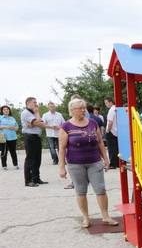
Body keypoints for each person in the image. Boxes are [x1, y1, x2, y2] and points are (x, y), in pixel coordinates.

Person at [59, 98, 117, 228]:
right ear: (72, 110)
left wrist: (106, 158)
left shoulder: (92, 123)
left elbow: (100, 142)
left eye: (84, 107)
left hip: (95, 162)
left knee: (100, 189)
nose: (83, 110)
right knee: (81, 191)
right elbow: (62, 148)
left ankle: (105, 216)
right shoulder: (66, 126)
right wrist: (62, 167)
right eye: (80, 108)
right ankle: (86, 218)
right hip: (75, 164)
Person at [21, 97, 47, 187]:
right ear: (28, 103)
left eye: (36, 102)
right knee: (30, 159)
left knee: (37, 158)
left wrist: (36, 119)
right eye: (34, 102)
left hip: (36, 137)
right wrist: (37, 115)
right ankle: (28, 181)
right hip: (30, 137)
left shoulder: (33, 113)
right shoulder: (26, 112)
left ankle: (36, 178)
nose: (36, 104)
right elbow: (38, 123)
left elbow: (41, 123)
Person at [0, 105, 19, 170]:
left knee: (13, 152)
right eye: (4, 109)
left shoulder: (12, 118)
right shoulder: (0, 117)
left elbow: (17, 127)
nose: (6, 110)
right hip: (4, 138)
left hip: (13, 137)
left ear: (9, 110)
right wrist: (6, 127)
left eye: (7, 109)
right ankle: (4, 166)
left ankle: (15, 165)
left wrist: (14, 128)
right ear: (2, 111)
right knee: (4, 152)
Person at [104, 97, 119, 169]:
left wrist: (107, 130)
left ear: (111, 102)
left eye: (106, 103)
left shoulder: (111, 110)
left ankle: (113, 164)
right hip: (117, 131)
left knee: (111, 148)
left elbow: (110, 122)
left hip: (111, 131)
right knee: (116, 147)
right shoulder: (116, 109)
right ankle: (117, 163)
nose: (106, 104)